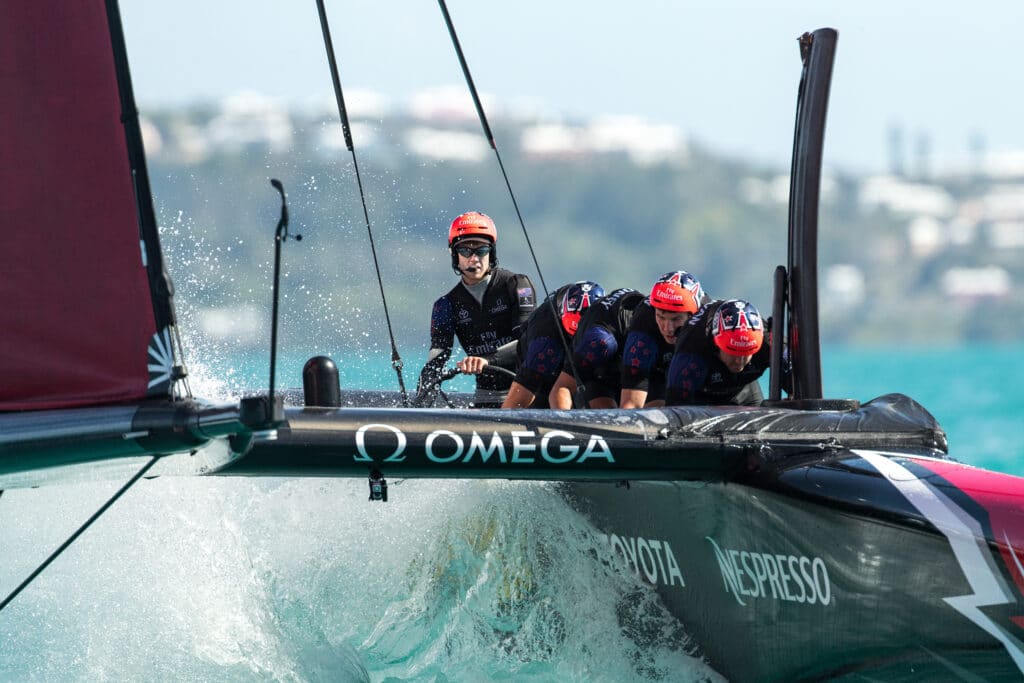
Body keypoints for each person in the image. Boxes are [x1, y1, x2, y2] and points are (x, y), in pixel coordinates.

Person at [415, 211, 536, 407]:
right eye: (465, 251)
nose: (474, 259)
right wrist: (419, 403)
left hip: (526, 393)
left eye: (481, 250)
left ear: (491, 253)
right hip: (486, 397)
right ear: (454, 255)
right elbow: (435, 364)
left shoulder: (517, 285)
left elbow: (528, 343)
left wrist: (486, 360)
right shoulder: (445, 305)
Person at [501, 280, 604, 408]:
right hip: (545, 366)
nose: (577, 337)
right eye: (574, 333)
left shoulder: (606, 325)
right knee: (541, 397)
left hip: (590, 351)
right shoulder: (546, 339)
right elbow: (524, 389)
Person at [618, 270, 708, 408]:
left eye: (676, 319)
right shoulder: (644, 324)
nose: (667, 328)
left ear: (692, 316)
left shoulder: (707, 323)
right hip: (653, 363)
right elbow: (630, 405)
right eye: (660, 317)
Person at [664, 298, 772, 406]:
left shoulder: (770, 344)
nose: (739, 361)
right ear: (717, 344)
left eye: (746, 353)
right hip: (700, 393)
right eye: (733, 352)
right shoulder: (691, 352)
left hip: (743, 390)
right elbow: (675, 407)